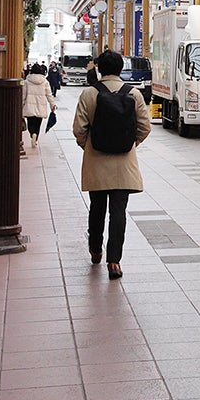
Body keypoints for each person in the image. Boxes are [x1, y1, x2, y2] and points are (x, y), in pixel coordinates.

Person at [72, 49, 150, 279]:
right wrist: (129, 143)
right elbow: (145, 127)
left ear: (99, 69)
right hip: (124, 164)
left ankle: (96, 249)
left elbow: (79, 129)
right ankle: (114, 261)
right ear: (120, 69)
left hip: (96, 162)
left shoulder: (89, 93)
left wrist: (90, 146)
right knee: (118, 212)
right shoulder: (133, 94)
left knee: (97, 208)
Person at [23, 63, 55, 148]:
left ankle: (32, 134)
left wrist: (21, 104)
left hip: (29, 106)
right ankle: (35, 137)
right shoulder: (45, 81)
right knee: (38, 123)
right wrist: (52, 104)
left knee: (30, 123)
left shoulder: (26, 81)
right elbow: (49, 94)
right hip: (40, 106)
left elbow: (23, 95)